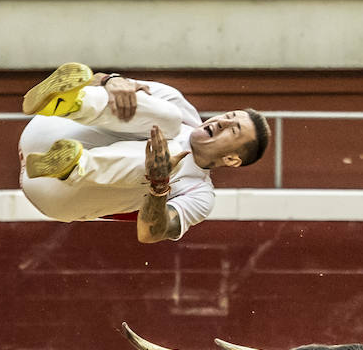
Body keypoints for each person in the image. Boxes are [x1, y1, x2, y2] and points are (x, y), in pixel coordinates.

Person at [17, 63, 271, 243]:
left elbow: (150, 233)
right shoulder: (178, 105)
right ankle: (69, 103)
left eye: (233, 129)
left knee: (173, 162)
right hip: (49, 127)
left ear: (231, 159)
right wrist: (111, 80)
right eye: (228, 116)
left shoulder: (200, 194)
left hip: (56, 192)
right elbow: (96, 80)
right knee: (169, 118)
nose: (222, 122)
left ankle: (73, 166)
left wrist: (160, 184)